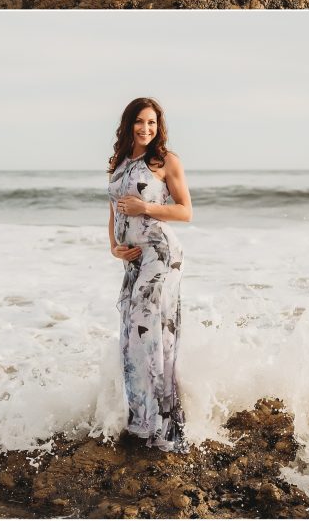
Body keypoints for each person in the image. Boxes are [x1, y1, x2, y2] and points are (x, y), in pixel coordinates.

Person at [107, 97, 193, 452]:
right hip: (133, 261)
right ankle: (141, 425)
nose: (146, 129)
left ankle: (166, 428)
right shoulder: (118, 163)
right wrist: (114, 246)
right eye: (140, 122)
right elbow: (113, 212)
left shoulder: (166, 162)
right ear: (129, 124)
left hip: (161, 255)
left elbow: (185, 211)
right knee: (131, 337)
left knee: (151, 337)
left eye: (152, 123)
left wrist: (146, 207)